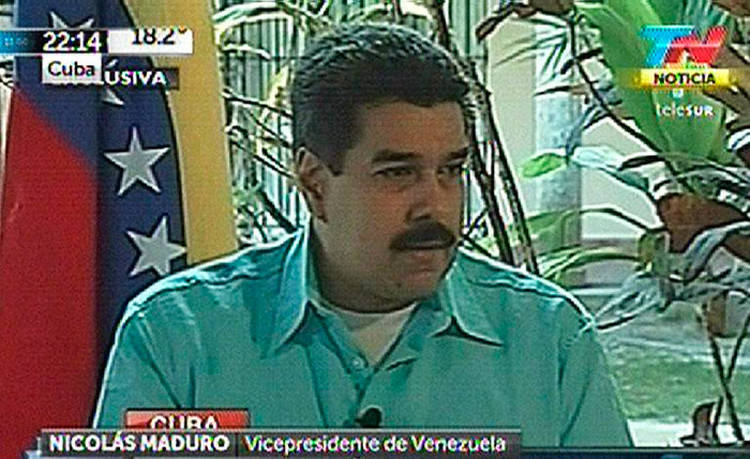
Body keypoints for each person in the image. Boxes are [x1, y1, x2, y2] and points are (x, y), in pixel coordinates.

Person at [93, 22, 632, 447]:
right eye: (398, 173)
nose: (435, 204)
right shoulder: (179, 336)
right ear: (314, 183)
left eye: (451, 170)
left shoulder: (548, 339)